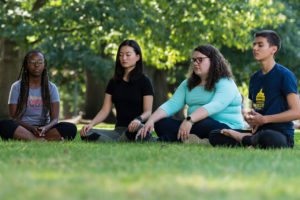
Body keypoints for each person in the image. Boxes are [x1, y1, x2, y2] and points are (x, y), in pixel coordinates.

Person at [209, 30, 300, 149]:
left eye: (260, 45)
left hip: (280, 134)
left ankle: (246, 140)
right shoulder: (254, 78)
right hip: (257, 132)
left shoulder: (285, 75)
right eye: (254, 44)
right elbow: (255, 109)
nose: (255, 48)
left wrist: (265, 119)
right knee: (215, 134)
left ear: (273, 49)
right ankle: (251, 141)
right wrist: (250, 117)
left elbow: (296, 112)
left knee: (268, 137)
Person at [137, 44, 243, 143]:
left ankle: (161, 140)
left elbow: (215, 106)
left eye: (200, 60)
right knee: (161, 123)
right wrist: (151, 120)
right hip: (195, 124)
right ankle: (195, 139)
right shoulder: (187, 84)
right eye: (194, 60)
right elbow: (171, 104)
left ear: (213, 61)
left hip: (228, 129)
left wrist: (189, 120)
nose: (195, 63)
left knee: (203, 123)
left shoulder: (226, 82)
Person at [80, 40, 154, 142]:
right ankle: (122, 140)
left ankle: (123, 139)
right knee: (87, 133)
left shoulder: (145, 81)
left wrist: (138, 119)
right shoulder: (113, 82)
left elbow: (148, 112)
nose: (124, 58)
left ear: (138, 57)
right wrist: (91, 124)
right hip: (118, 130)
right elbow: (105, 110)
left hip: (137, 128)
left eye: (128, 55)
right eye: (121, 55)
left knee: (141, 130)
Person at [0, 50, 77, 141]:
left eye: (40, 62)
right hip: (23, 128)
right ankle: (42, 140)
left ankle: (31, 139)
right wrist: (30, 128)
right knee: (4, 124)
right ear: (26, 65)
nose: (36, 65)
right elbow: (13, 117)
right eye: (32, 62)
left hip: (44, 129)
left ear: (44, 65)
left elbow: (55, 119)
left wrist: (46, 128)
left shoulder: (51, 88)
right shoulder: (16, 87)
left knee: (70, 128)